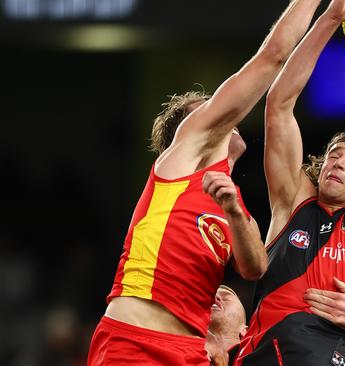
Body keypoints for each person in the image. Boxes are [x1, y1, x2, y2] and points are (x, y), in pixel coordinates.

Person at [87, 1, 325, 364]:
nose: (223, 111)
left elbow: (255, 267)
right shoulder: (181, 161)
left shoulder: (232, 200)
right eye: (210, 108)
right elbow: (272, 56)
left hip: (190, 353)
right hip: (135, 342)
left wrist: (232, 209)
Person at [224, 0, 345, 363]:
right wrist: (330, 19)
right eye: (333, 155)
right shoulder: (292, 201)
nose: (338, 162)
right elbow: (279, 103)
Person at [205, 283, 345, 366]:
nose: (215, 296)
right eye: (206, 294)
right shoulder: (182, 352)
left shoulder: (281, 340)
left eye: (226, 295)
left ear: (246, 331)